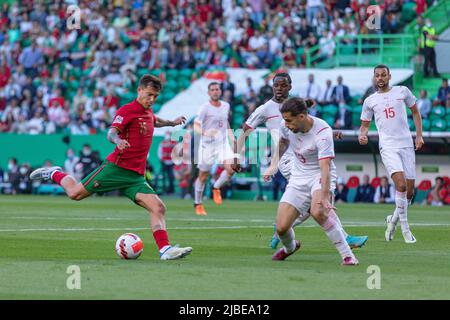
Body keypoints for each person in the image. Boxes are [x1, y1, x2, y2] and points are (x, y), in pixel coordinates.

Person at [29, 74, 192, 261]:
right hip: (116, 168)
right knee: (75, 193)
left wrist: (172, 122)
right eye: (149, 95)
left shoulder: (147, 112)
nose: (152, 99)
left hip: (135, 177)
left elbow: (155, 120)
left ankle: (165, 250)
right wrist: (118, 140)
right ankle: (55, 173)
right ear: (139, 90)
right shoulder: (128, 110)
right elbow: (111, 132)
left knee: (159, 208)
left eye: (155, 96)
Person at [232, 72, 368, 250]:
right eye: (276, 85)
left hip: (304, 156)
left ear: (290, 86)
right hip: (287, 159)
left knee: (316, 200)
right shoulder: (265, 108)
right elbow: (244, 131)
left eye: (283, 85)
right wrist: (235, 156)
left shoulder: (296, 105)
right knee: (315, 199)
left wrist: (331, 133)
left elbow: (311, 127)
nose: (279, 89)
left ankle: (283, 227)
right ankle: (343, 238)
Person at [266, 97, 358, 265]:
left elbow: (325, 167)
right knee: (281, 228)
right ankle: (290, 248)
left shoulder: (322, 132)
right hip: (298, 177)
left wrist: (324, 195)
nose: (285, 124)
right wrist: (273, 165)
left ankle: (348, 256)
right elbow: (283, 142)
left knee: (318, 212)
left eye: (289, 120)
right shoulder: (286, 127)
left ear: (301, 117)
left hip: (320, 174)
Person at [359, 64, 424, 244]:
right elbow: (364, 125)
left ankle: (392, 220)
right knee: (401, 186)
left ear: (389, 76)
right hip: (388, 146)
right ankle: (406, 230)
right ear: (374, 78)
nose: (380, 78)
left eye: (383, 75)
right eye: (377, 76)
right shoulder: (369, 101)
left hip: (406, 144)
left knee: (409, 193)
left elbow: (416, 112)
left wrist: (419, 135)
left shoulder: (402, 91)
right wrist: (362, 135)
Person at [193, 82, 237, 215]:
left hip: (222, 143)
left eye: (217, 89)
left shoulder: (226, 106)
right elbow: (196, 125)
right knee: (203, 176)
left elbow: (226, 123)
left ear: (220, 91)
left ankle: (216, 187)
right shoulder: (204, 108)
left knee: (231, 169)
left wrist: (232, 136)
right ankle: (198, 203)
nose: (215, 92)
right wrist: (205, 133)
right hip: (208, 144)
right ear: (209, 93)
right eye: (212, 90)